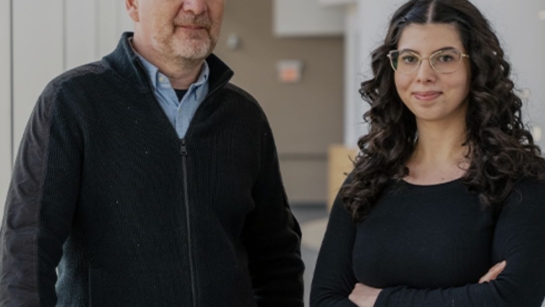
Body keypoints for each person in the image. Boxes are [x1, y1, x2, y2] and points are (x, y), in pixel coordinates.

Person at [0, 0, 305, 306]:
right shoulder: (72, 103)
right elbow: (26, 250)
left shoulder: (244, 117)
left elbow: (277, 258)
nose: (198, 7)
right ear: (133, 4)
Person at [310, 0, 545, 306]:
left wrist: (379, 301)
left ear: (475, 65)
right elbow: (324, 299)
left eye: (444, 57)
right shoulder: (368, 181)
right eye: (409, 58)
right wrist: (469, 298)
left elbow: (511, 299)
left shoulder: (518, 179)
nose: (423, 75)